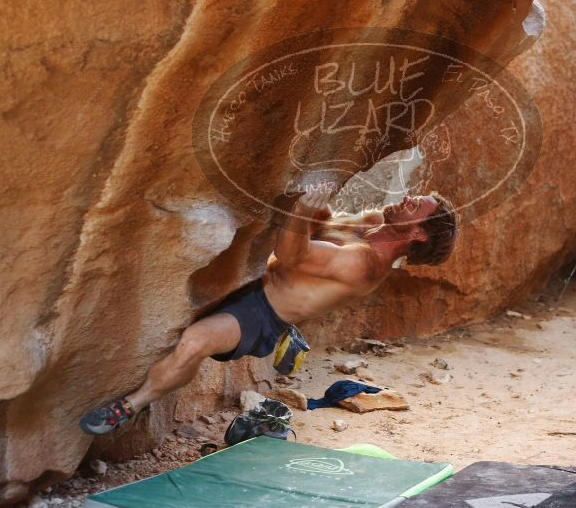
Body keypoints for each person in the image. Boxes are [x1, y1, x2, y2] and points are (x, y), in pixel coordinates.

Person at [79, 186, 458, 434]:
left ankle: (129, 406)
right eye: (415, 194)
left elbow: (295, 254)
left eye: (416, 205)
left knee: (194, 342)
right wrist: (315, 206)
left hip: (263, 313)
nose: (407, 196)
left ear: (419, 234)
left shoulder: (366, 265)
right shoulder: (375, 223)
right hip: (258, 275)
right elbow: (326, 225)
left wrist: (301, 210)